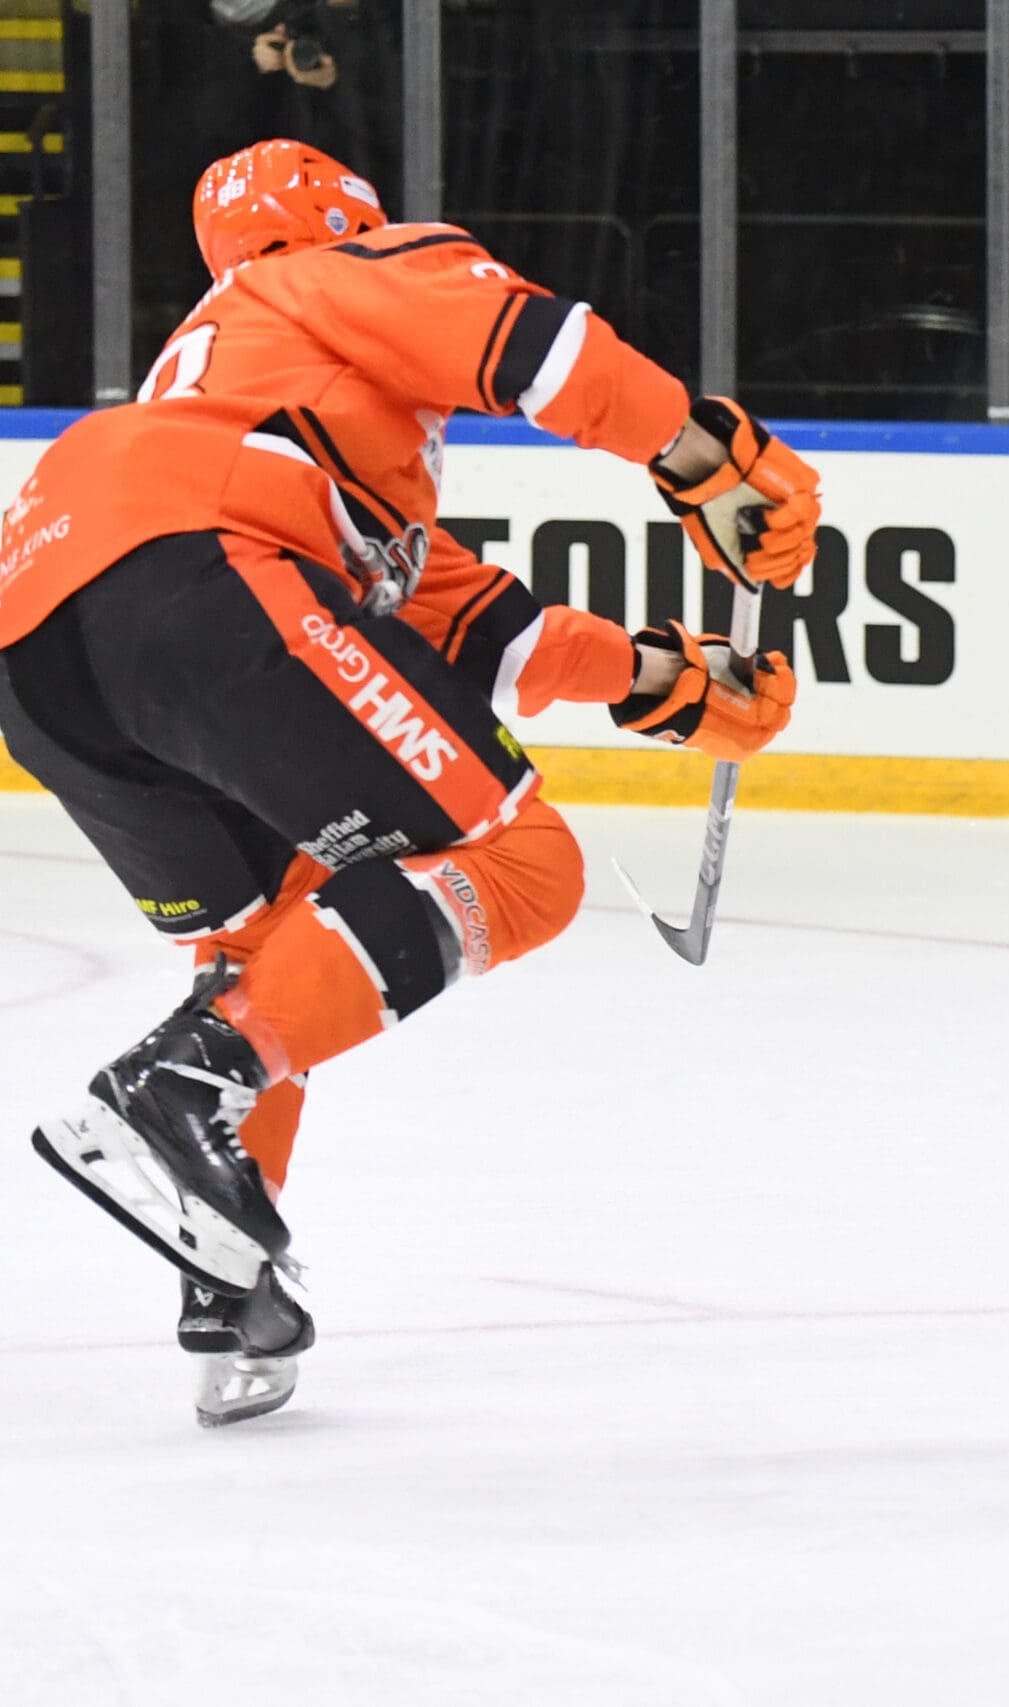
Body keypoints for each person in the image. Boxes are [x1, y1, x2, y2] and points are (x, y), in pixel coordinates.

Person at [0, 138, 818, 1425]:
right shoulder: (331, 275)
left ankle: (225, 1278)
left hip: (39, 645)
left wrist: (663, 680)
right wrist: (708, 457)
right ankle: (182, 1088)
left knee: (268, 946)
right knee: (521, 864)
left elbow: (457, 620)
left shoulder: (232, 385)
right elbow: (531, 345)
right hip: (197, 575)